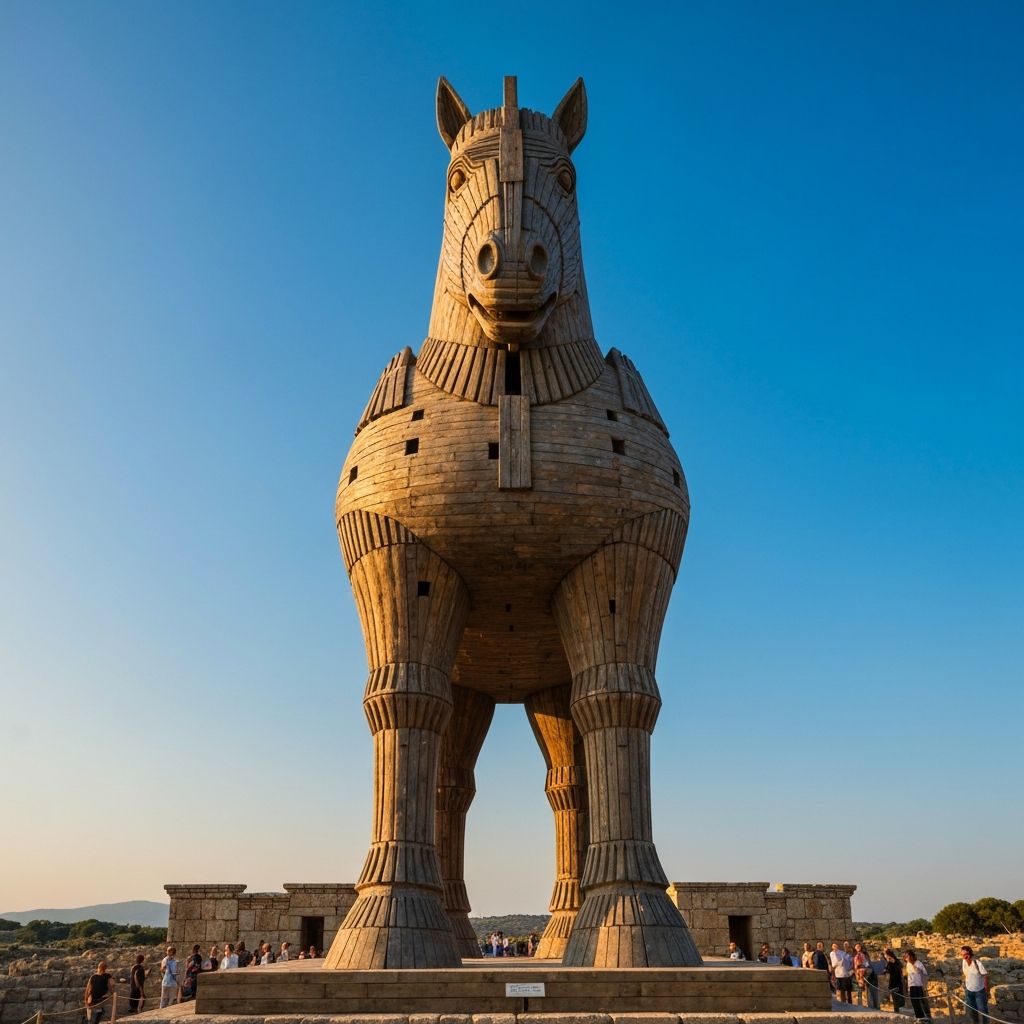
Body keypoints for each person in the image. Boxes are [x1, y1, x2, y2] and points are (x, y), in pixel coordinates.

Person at [961, 945, 989, 1023]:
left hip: (979, 992)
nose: (964, 956)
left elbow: (985, 975)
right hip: (969, 991)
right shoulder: (963, 962)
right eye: (962, 955)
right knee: (972, 1012)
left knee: (983, 1012)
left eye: (965, 954)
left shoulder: (977, 962)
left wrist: (986, 989)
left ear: (970, 954)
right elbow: (965, 974)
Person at [904, 950, 932, 1021]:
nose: (906, 958)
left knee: (920, 1001)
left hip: (918, 985)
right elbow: (909, 974)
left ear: (911, 956)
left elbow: (922, 973)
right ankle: (919, 1016)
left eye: (907, 956)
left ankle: (924, 1016)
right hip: (911, 985)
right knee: (914, 1002)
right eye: (906, 956)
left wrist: (924, 985)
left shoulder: (918, 963)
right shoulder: (908, 964)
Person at [854, 942, 880, 1008]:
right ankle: (862, 1006)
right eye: (856, 947)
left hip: (870, 973)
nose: (858, 948)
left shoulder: (865, 954)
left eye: (859, 946)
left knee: (872, 990)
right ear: (855, 948)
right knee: (862, 991)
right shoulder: (856, 956)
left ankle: (875, 1006)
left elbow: (868, 963)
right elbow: (857, 967)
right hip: (861, 975)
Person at [883, 948, 906, 1013]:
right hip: (894, 981)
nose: (885, 956)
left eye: (885, 954)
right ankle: (897, 1009)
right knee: (895, 996)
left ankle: (898, 1009)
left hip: (895, 981)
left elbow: (898, 967)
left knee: (896, 996)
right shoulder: (891, 962)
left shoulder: (893, 961)